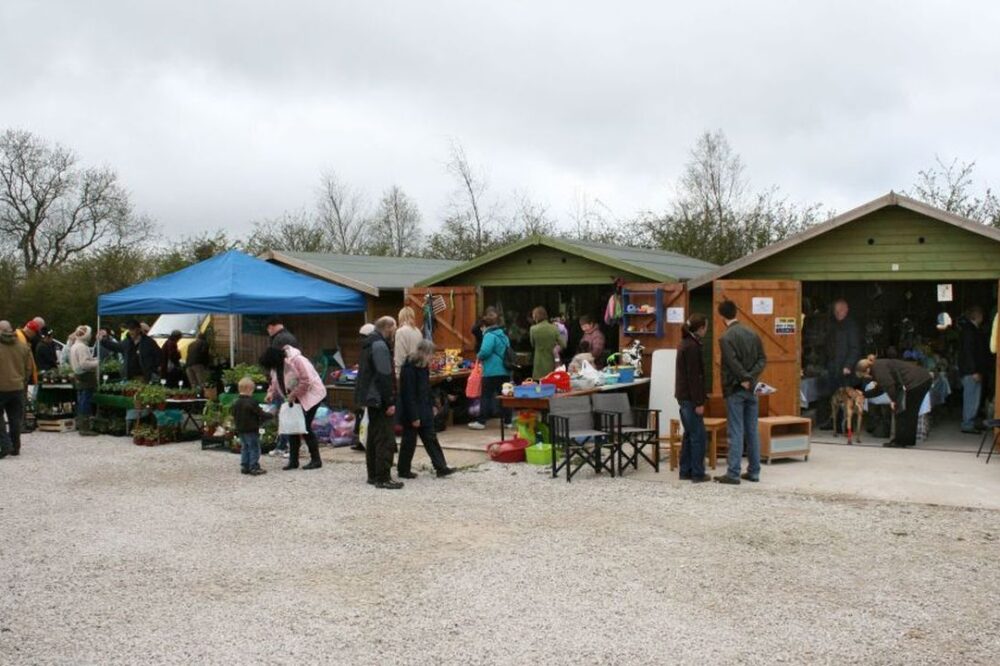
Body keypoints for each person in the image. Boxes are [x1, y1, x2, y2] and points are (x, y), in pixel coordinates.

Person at [715, 299, 767, 485]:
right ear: (736, 312)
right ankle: (754, 471)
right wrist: (751, 378)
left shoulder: (726, 338)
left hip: (735, 388)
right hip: (752, 388)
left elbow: (731, 362)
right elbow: (762, 359)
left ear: (721, 316)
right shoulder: (753, 333)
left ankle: (733, 472)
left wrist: (744, 379)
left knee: (736, 430)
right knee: (752, 430)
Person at [397, 340, 455, 479]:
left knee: (431, 438)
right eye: (430, 354)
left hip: (424, 407)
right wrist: (414, 416)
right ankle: (403, 470)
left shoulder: (423, 367)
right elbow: (408, 394)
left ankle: (441, 467)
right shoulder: (409, 368)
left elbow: (426, 389)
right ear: (423, 353)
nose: (432, 357)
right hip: (412, 410)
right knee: (409, 442)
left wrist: (433, 404)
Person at [355, 316, 402, 489]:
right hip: (379, 399)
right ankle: (383, 477)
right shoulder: (380, 345)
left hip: (370, 397)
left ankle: (373, 475)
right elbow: (384, 376)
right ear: (388, 327)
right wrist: (389, 401)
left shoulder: (369, 343)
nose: (396, 331)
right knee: (385, 438)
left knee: (374, 437)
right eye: (395, 327)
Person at [261, 344, 325, 470]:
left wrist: (293, 394)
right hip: (293, 398)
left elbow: (306, 381)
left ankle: (316, 460)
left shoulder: (298, 360)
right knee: (292, 427)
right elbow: (274, 381)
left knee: (304, 427)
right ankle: (293, 461)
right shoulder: (276, 366)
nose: (272, 368)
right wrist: (270, 392)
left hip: (311, 396)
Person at [856, 354, 932, 448]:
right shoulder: (877, 366)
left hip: (917, 382)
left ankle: (900, 441)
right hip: (921, 379)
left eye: (863, 375)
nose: (865, 377)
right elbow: (880, 389)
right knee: (910, 412)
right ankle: (905, 440)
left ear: (866, 370)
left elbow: (890, 386)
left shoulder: (878, 370)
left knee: (903, 411)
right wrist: (864, 395)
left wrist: (894, 401)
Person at [676, 314, 710, 483]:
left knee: (689, 434)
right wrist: (699, 402)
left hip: (683, 395)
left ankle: (685, 470)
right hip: (690, 398)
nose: (707, 329)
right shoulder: (692, 347)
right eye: (706, 326)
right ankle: (697, 473)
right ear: (700, 328)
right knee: (698, 436)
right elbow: (694, 377)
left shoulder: (686, 343)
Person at [819, 299, 861, 430]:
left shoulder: (851, 326)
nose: (838, 313)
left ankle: (847, 424)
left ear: (846, 310)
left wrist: (848, 365)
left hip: (845, 369)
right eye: (836, 311)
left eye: (840, 311)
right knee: (833, 396)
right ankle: (834, 422)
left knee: (846, 397)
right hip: (833, 366)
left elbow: (855, 348)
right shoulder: (833, 325)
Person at [470, 309, 512, 430]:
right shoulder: (503, 334)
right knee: (505, 396)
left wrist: (478, 356)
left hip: (492, 371)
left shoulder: (489, 335)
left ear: (484, 326)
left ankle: (481, 422)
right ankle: (508, 421)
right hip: (505, 370)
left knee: (486, 396)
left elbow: (485, 352)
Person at [0, 320, 32, 458]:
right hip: (18, 387)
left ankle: (5, 444)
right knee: (15, 419)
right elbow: (29, 367)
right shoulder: (23, 346)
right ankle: (15, 446)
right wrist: (22, 380)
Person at [957, 306, 991, 434]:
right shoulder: (969, 331)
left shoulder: (971, 330)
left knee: (974, 398)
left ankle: (970, 422)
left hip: (973, 370)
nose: (982, 317)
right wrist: (973, 370)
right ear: (975, 316)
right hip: (971, 371)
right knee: (971, 398)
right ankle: (967, 424)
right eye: (980, 314)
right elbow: (968, 352)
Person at [231, 376, 269, 476]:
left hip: (240, 429)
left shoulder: (236, 402)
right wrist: (270, 415)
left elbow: (233, 414)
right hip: (251, 429)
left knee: (244, 447)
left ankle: (245, 466)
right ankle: (254, 466)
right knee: (254, 447)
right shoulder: (252, 402)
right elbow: (260, 413)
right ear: (249, 389)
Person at [69, 325, 99, 437]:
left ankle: (81, 424)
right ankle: (85, 428)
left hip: (78, 376)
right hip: (86, 376)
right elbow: (84, 364)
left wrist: (92, 359)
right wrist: (97, 362)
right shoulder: (82, 347)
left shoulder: (74, 346)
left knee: (81, 400)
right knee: (85, 402)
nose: (91, 335)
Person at [528, 306, 561, 379]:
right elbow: (563, 344)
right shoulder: (554, 328)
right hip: (552, 360)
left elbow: (532, 344)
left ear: (535, 316)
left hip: (539, 362)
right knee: (553, 381)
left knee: (540, 385)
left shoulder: (533, 329)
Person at [393, 306, 423, 374]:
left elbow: (400, 355)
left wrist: (398, 373)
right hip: (418, 370)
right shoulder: (418, 331)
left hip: (406, 371)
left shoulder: (400, 331)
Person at [15, 319, 41, 385]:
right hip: (20, 381)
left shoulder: (19, 336)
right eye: (35, 333)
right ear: (31, 331)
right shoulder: (21, 340)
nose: (35, 335)